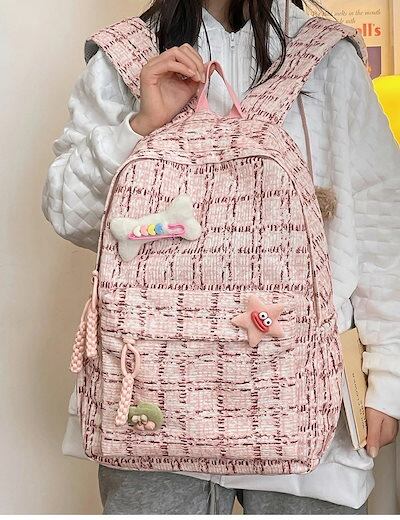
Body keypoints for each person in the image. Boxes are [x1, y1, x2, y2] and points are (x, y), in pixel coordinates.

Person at [41, 0, 400, 514]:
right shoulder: (125, 56)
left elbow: (382, 218)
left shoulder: (326, 56)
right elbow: (67, 213)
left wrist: (389, 375)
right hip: (152, 411)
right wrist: (140, 125)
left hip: (304, 402)